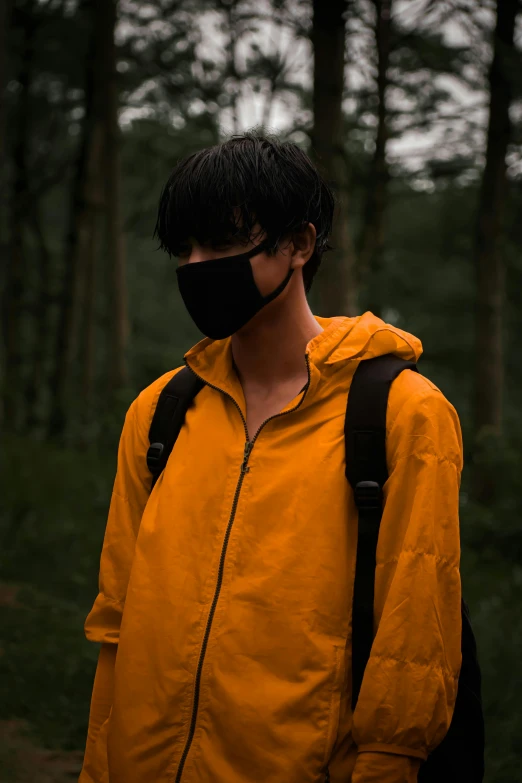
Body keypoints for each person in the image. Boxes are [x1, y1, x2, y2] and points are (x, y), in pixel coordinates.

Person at [79, 131, 463, 783]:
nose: (198, 265)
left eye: (224, 243)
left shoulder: (403, 414)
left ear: (300, 245)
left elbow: (414, 640)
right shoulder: (160, 412)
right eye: (185, 248)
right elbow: (116, 623)